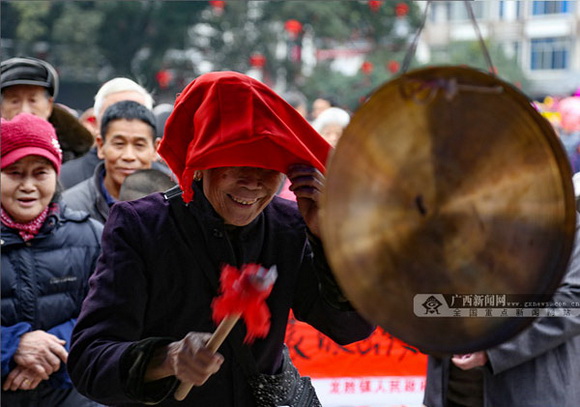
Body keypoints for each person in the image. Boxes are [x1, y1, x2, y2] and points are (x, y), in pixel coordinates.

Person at [67, 71, 375, 406]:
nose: (254, 183)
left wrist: (325, 237)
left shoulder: (288, 225)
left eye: (269, 167)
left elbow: (351, 329)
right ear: (201, 160)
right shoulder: (142, 226)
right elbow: (89, 361)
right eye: (238, 163)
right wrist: (167, 358)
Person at [1, 113, 103, 406]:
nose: (29, 186)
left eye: (40, 172)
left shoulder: (90, 236)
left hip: (71, 390)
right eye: (15, 173)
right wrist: (12, 346)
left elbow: (110, 313)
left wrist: (49, 353)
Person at [423, 227, 580, 406]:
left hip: (531, 394)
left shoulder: (566, 226)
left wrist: (496, 350)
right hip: (449, 394)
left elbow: (573, 302)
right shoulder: (451, 220)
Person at [62, 100, 159, 224]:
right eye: (119, 144)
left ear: (156, 149)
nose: (128, 156)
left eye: (139, 145)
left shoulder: (172, 206)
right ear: (101, 146)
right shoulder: (70, 206)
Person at [59, 77, 155, 189]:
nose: (125, 121)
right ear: (94, 123)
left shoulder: (168, 183)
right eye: (114, 114)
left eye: (137, 112)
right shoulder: (65, 179)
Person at [0, 56, 93, 162]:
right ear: (1, 108)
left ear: (49, 105)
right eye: (14, 101)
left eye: (33, 100)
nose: (24, 111)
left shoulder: (81, 156)